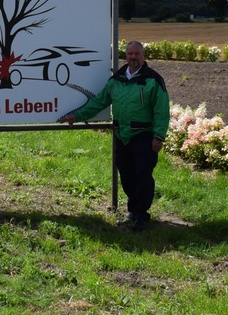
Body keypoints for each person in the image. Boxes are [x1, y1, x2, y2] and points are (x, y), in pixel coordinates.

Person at [57, 40, 170, 231]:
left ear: (143, 56)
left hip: (143, 136)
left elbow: (161, 111)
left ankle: (142, 215)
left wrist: (158, 136)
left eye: (137, 54)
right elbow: (99, 102)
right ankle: (132, 212)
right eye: (130, 54)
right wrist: (77, 116)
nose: (133, 57)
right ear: (126, 56)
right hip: (122, 136)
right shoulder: (116, 80)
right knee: (127, 175)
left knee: (143, 176)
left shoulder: (153, 80)